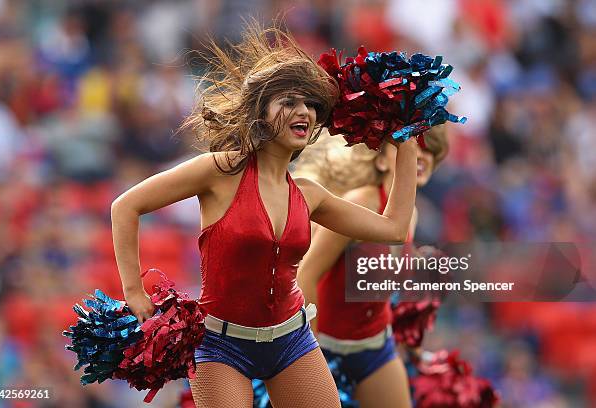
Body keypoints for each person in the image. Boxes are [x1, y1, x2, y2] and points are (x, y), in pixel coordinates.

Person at [110, 23, 417, 408]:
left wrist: (405, 140)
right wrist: (133, 291)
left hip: (292, 342)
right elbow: (125, 206)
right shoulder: (220, 171)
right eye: (288, 102)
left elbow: (393, 228)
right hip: (222, 345)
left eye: (309, 104)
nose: (302, 111)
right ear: (261, 113)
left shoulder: (309, 194)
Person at [296, 125, 448, 408]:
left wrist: (412, 340)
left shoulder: (410, 214)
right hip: (324, 346)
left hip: (375, 348)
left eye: (431, 151)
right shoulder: (359, 202)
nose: (421, 155)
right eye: (413, 146)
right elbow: (306, 275)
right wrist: (309, 354)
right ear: (380, 160)